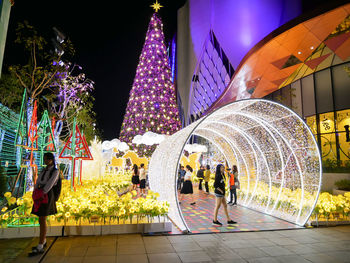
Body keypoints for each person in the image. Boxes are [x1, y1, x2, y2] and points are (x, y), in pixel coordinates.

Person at [29, 152, 59, 256]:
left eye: (47, 159)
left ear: (52, 160)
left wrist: (43, 192)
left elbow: (51, 183)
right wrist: (35, 190)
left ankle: (41, 244)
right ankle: (43, 241)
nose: (45, 161)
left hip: (46, 195)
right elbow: (38, 181)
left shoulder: (55, 171)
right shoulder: (44, 170)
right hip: (39, 194)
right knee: (41, 219)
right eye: (45, 159)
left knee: (42, 218)